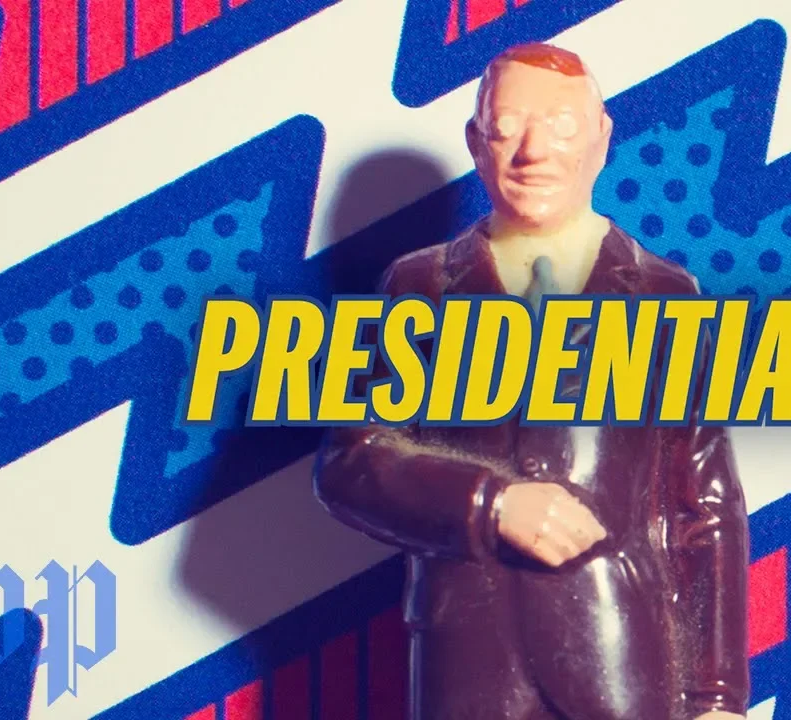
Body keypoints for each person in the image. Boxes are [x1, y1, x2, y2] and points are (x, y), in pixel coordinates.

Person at [314, 42, 750, 720]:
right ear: (476, 141)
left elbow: (706, 504)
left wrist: (717, 696)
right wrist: (489, 504)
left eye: (562, 126)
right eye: (507, 125)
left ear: (601, 139)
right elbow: (351, 462)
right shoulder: (418, 287)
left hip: (619, 656)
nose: (534, 151)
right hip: (469, 657)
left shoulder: (665, 295)